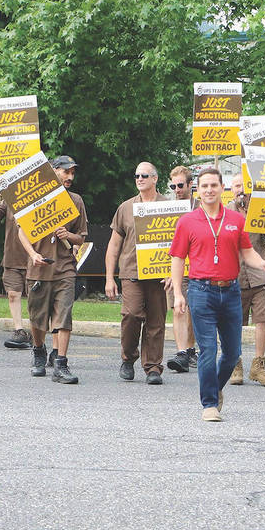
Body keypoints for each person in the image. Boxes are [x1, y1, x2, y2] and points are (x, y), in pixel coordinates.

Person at [169, 168, 265, 421]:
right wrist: (178, 294)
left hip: (230, 291)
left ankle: (215, 387)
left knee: (231, 353)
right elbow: (177, 258)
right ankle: (209, 404)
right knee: (207, 350)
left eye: (213, 185)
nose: (209, 190)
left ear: (222, 188)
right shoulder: (187, 221)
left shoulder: (236, 220)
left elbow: (247, 252)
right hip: (201, 291)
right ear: (198, 190)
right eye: (204, 186)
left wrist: (262, 264)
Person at [17, 156, 89, 384]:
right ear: (53, 171)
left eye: (73, 173)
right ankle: (39, 351)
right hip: (39, 269)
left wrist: (69, 235)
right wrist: (33, 255)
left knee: (63, 316)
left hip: (65, 268)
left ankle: (61, 364)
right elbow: (22, 232)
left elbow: (81, 237)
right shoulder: (35, 198)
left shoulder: (75, 201)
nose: (70, 176)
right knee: (37, 319)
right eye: (66, 171)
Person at [105, 161, 170, 384]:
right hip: (131, 271)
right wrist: (109, 278)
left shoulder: (168, 206)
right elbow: (114, 245)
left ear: (155, 179)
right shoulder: (125, 208)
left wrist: (173, 273)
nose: (139, 179)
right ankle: (128, 357)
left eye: (144, 175)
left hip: (159, 274)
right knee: (131, 315)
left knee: (156, 322)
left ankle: (153, 368)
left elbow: (179, 243)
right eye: (137, 176)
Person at [226, 178, 265, 387]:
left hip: (259, 275)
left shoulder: (261, 209)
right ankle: (234, 364)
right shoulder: (224, 212)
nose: (242, 190)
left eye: (246, 185)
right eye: (238, 186)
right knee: (233, 323)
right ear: (231, 189)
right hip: (233, 276)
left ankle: (258, 366)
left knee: (262, 319)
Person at [0, 183, 33, 350]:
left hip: (35, 259)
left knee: (36, 299)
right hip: (12, 258)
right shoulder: (11, 197)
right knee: (13, 294)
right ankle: (19, 331)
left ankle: (36, 333)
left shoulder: (42, 196)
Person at [165, 165, 199, 373]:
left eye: (180, 185)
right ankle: (181, 353)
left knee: (193, 311)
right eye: (173, 186)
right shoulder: (167, 209)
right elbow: (160, 242)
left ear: (190, 185)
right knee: (178, 309)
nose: (176, 190)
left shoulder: (200, 207)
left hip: (197, 267)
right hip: (176, 267)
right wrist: (165, 271)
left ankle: (190, 349)